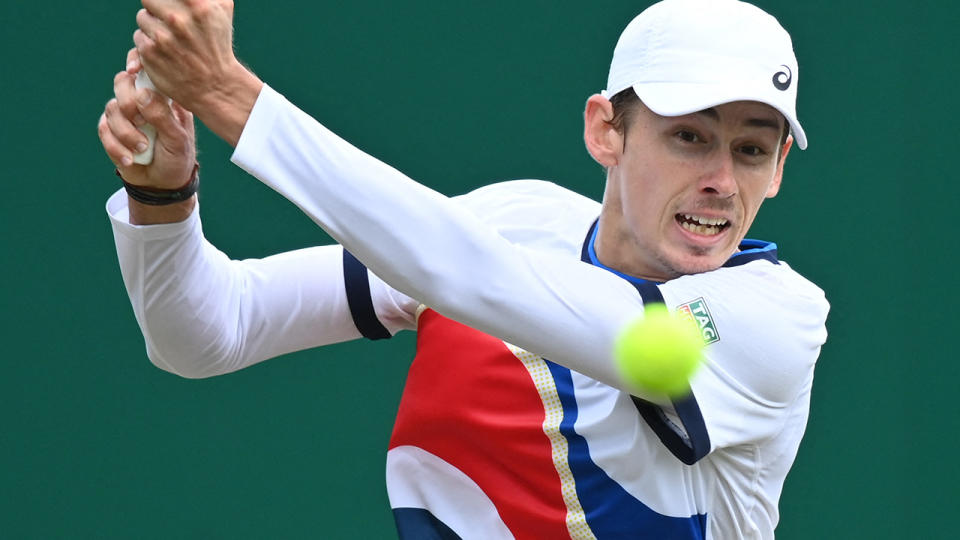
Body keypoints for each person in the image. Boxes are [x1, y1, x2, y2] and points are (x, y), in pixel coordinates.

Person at [98, 0, 829, 537]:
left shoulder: (774, 321)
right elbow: (209, 333)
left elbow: (472, 274)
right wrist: (162, 196)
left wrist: (229, 95)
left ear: (778, 171)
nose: (722, 182)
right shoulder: (508, 223)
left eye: (751, 150)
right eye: (690, 137)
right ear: (606, 130)